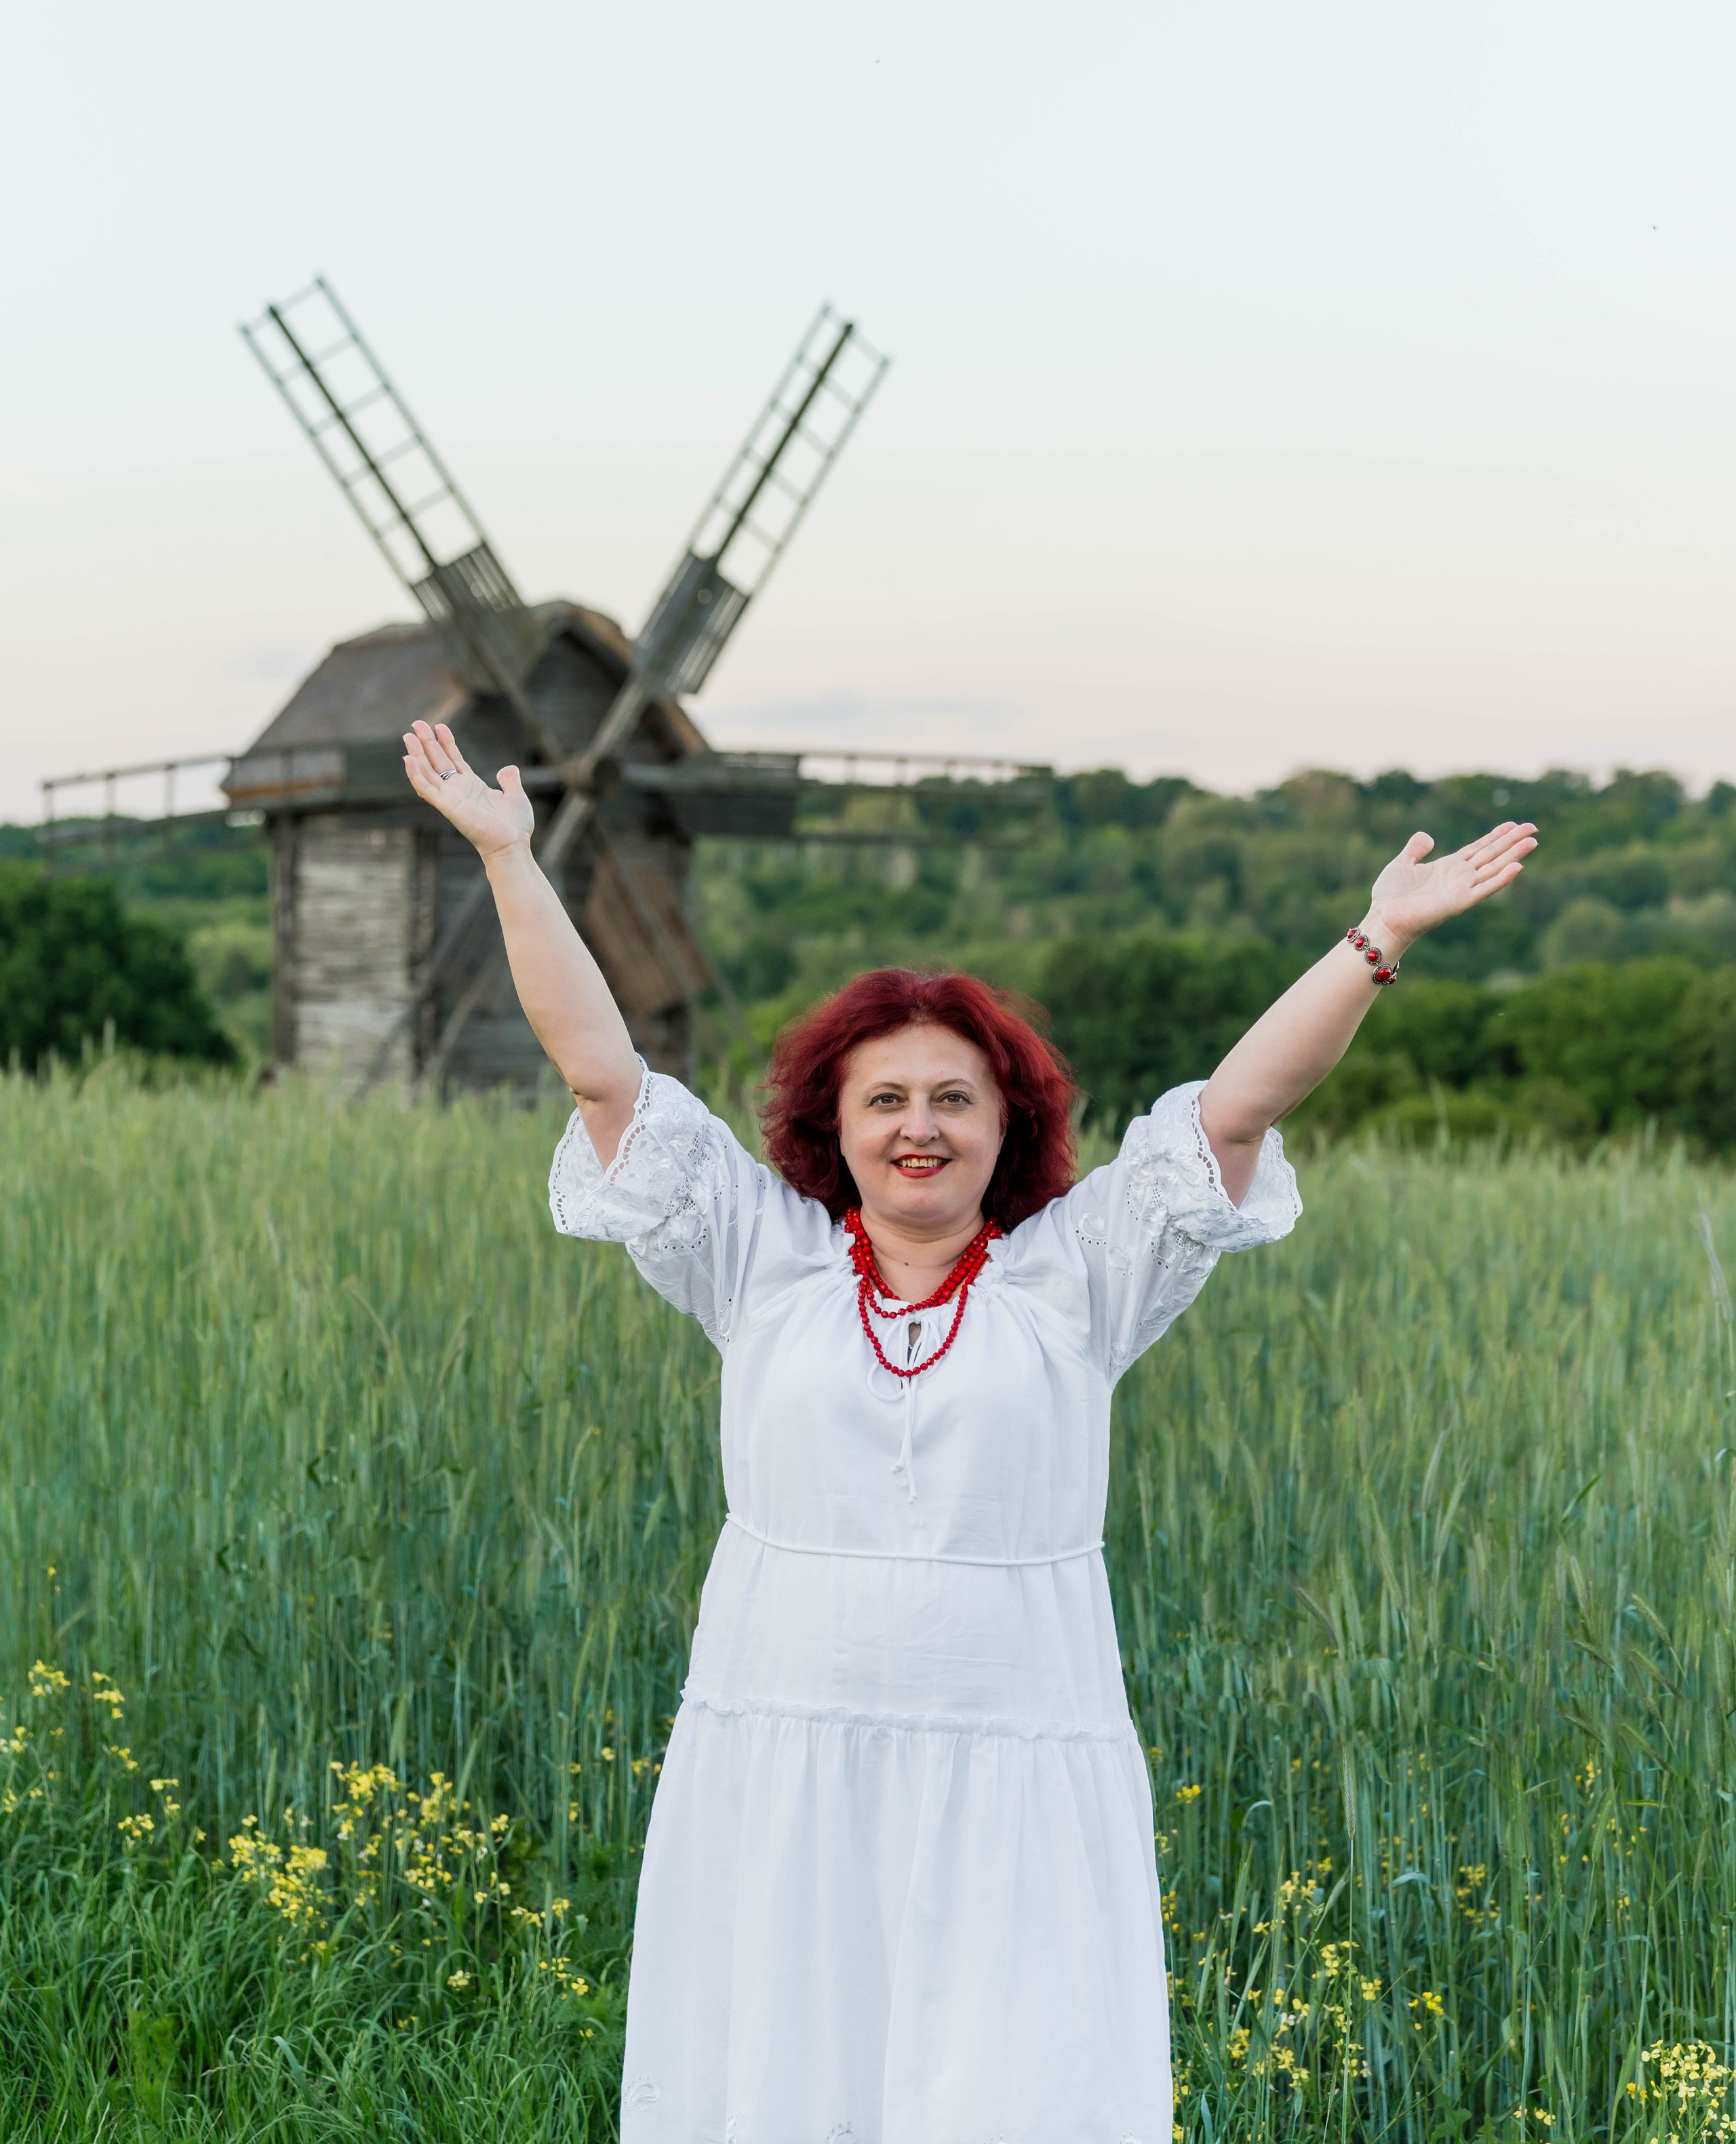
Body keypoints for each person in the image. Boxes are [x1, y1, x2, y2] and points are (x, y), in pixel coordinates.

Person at [402, 718, 1535, 2144]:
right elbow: (603, 1076)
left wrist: (1373, 938)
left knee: (1009, 2083)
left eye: (954, 1098)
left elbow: (1239, 1107)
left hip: (1016, 1754)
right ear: (835, 1123)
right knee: (778, 2076)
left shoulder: (1076, 1278)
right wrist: (511, 857)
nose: (917, 1127)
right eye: (885, 1100)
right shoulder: (762, 1263)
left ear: (1011, 1127)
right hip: (782, 1758)